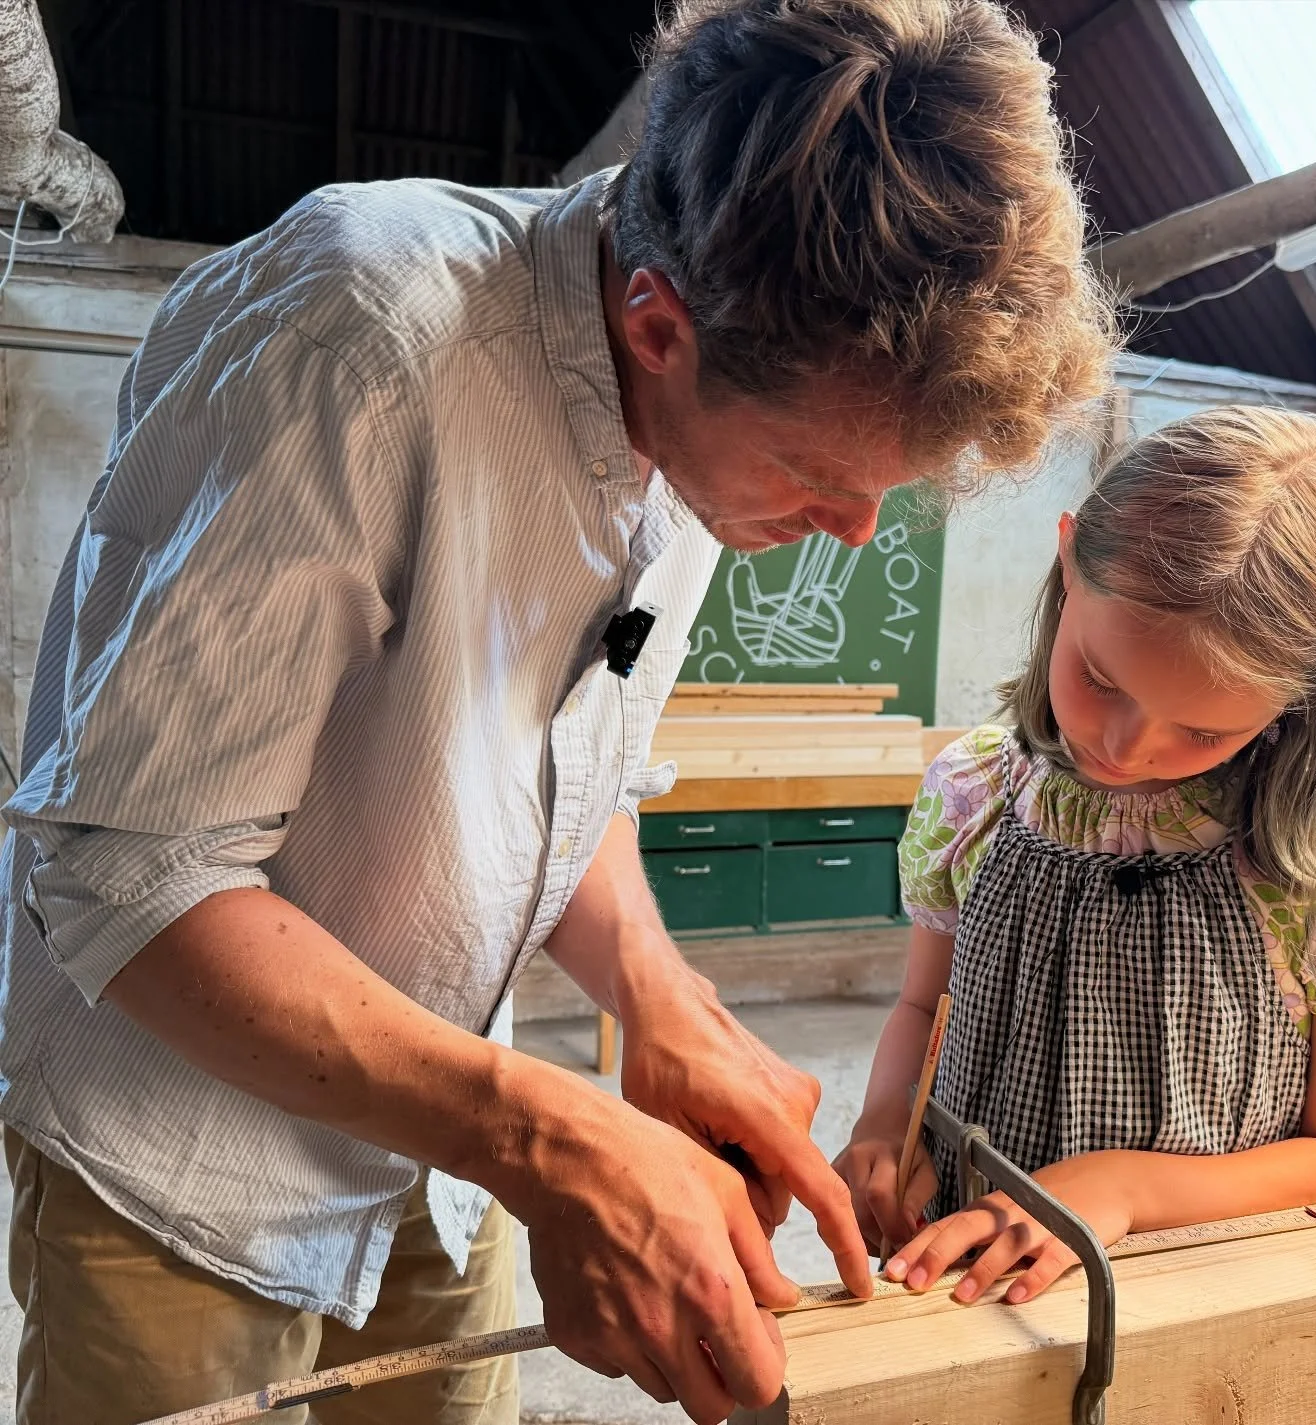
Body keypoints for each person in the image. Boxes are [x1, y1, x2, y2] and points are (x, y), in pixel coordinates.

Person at [0, 1, 1112, 1422]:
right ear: (659, 324)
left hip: (441, 1144)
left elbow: (546, 770)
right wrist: (554, 1139)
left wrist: (653, 994)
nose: (848, 526)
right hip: (186, 1155)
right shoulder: (358, 335)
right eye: (818, 473)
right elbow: (126, 876)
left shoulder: (722, 406)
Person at [839, 406, 1316, 1308]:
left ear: (1301, 694)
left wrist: (1122, 1187)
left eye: (1203, 729)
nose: (1122, 746)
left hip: (1195, 1313)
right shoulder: (976, 794)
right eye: (1101, 679)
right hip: (969, 1283)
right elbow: (927, 1001)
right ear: (1067, 559)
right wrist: (886, 1120)